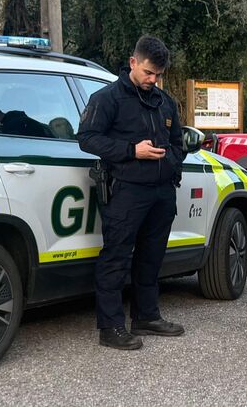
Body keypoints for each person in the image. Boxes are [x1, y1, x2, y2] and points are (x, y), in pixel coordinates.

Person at [78, 35, 186, 350]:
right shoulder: (107, 98)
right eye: (148, 73)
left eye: (158, 75)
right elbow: (86, 138)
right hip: (126, 190)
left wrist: (172, 166)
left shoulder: (165, 102)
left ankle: (147, 317)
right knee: (116, 258)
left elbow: (177, 142)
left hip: (162, 192)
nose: (153, 80)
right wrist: (131, 150)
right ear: (133, 63)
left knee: (152, 258)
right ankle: (110, 327)